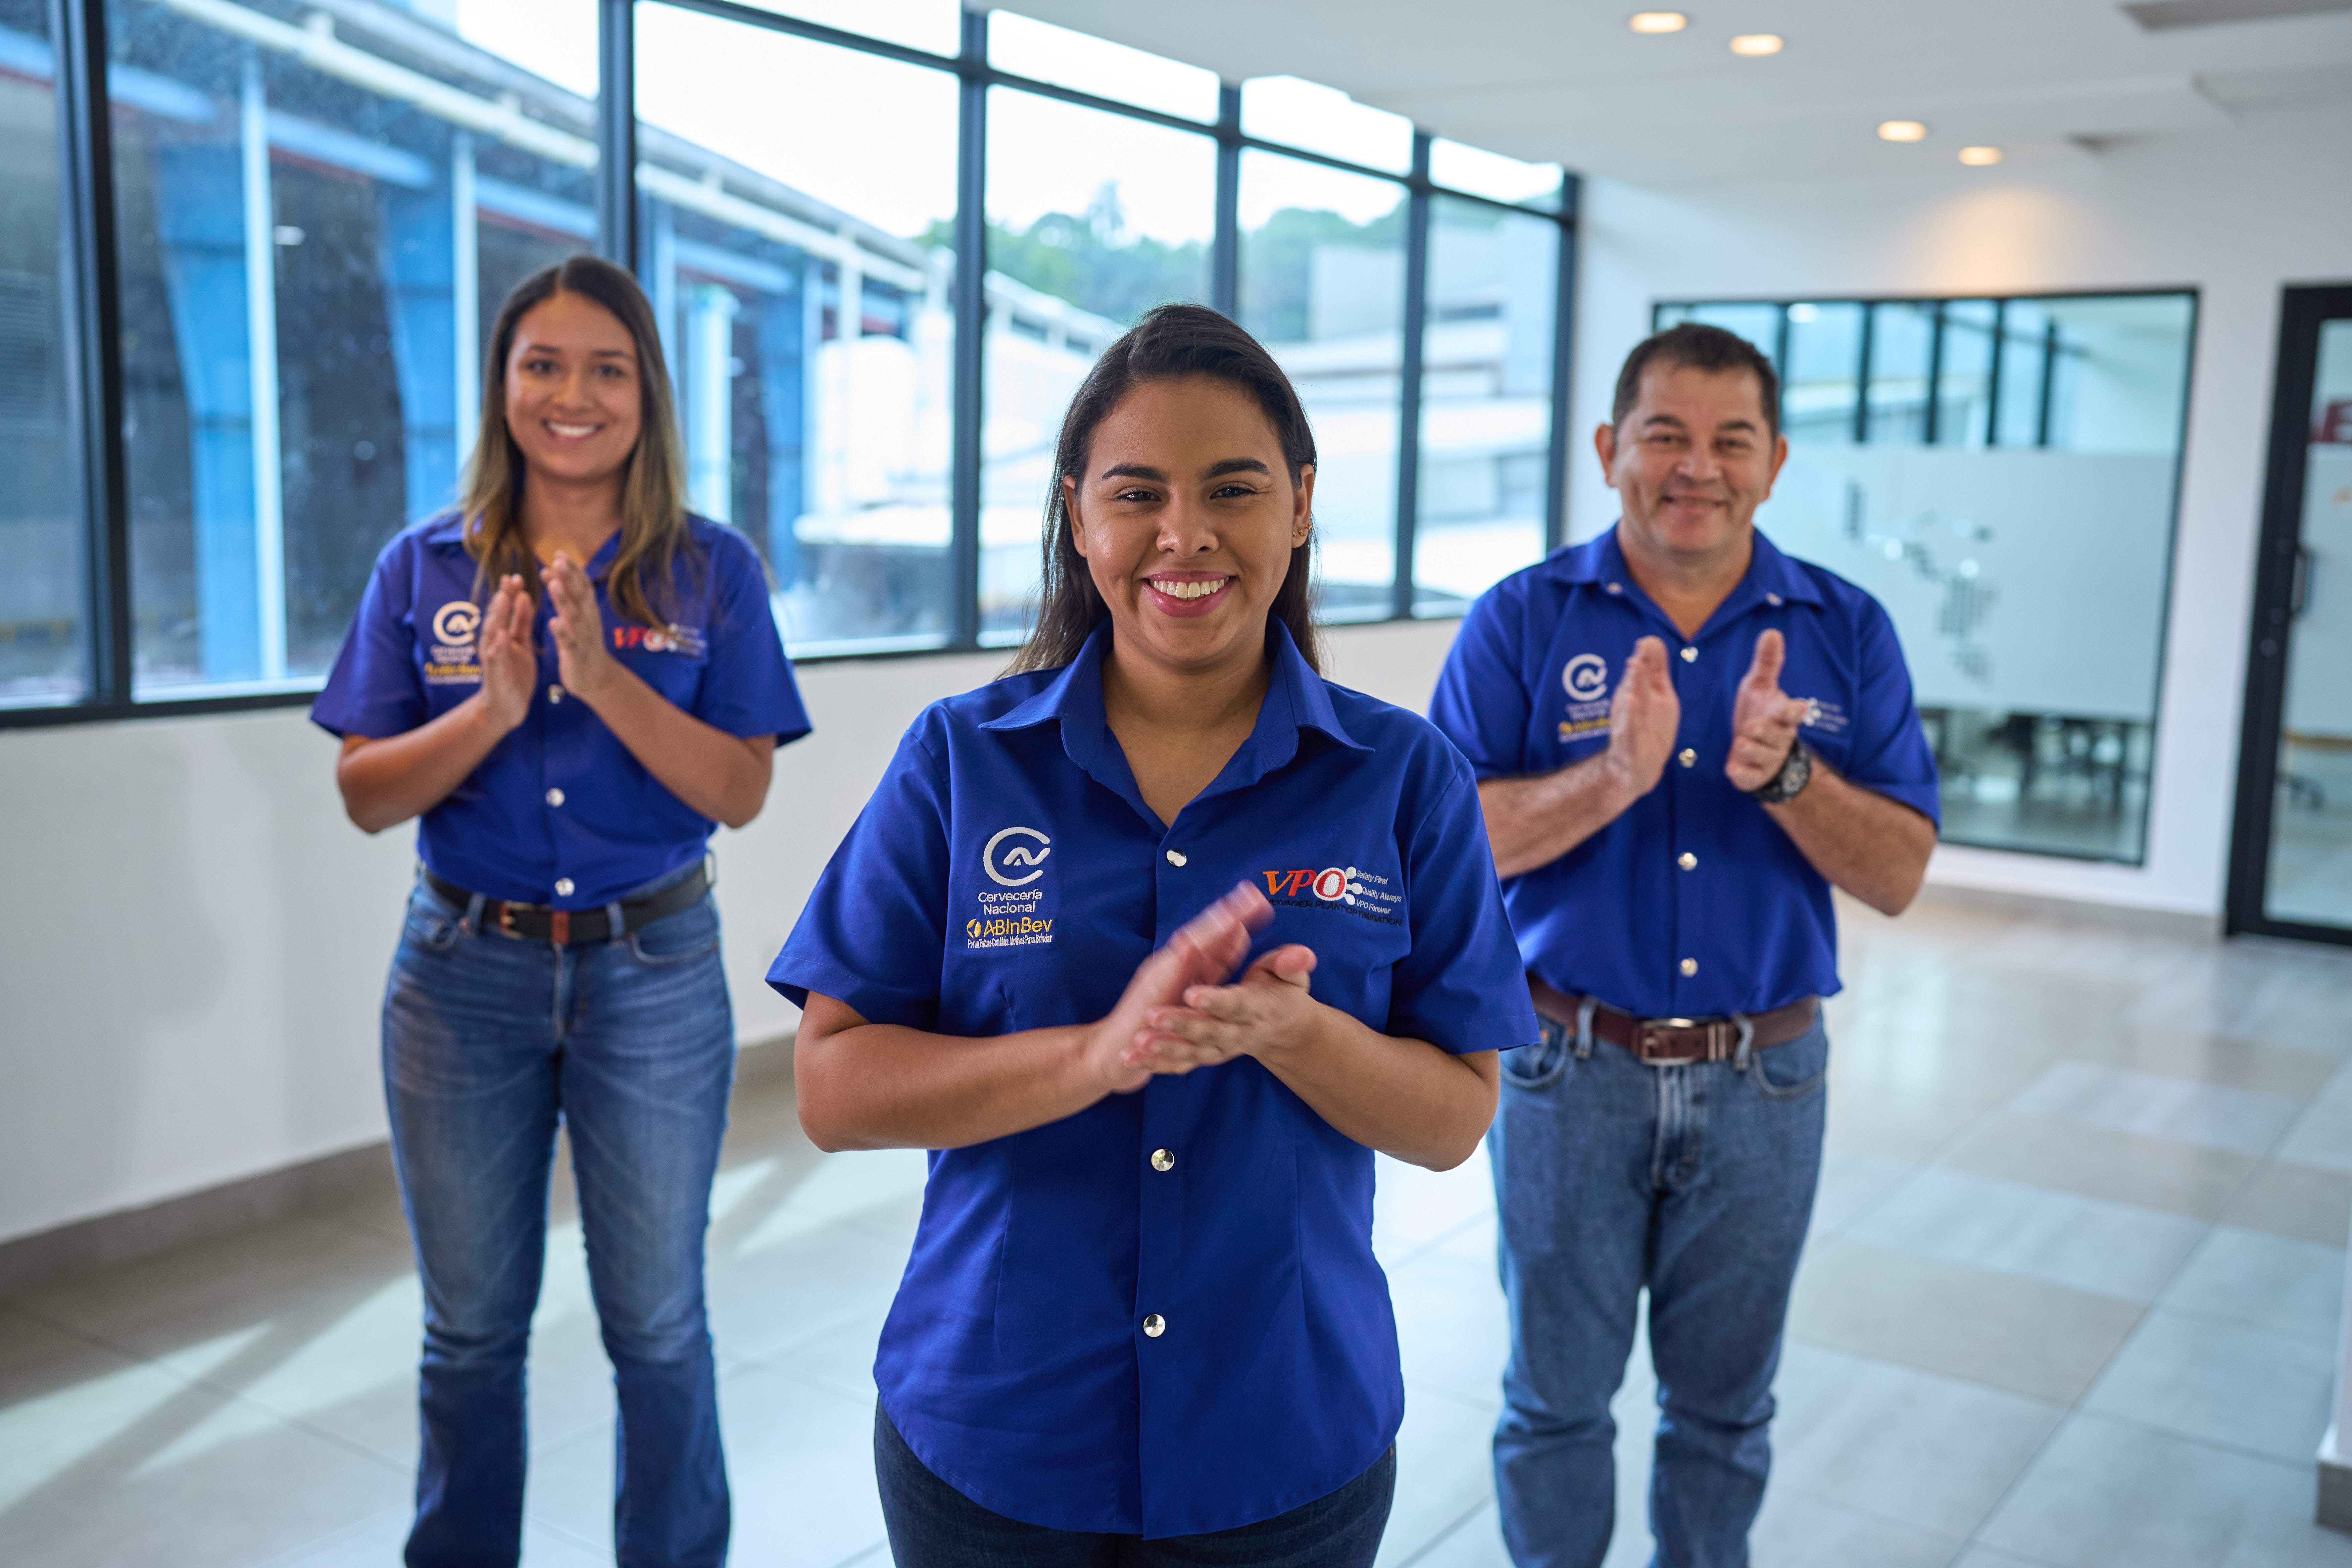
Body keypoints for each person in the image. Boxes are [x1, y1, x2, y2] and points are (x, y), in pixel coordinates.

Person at [767, 303, 1536, 1566]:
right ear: (1081, 517)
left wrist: (1295, 1034)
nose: (1186, 536)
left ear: (1298, 505)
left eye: (1232, 488)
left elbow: (1454, 1121)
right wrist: (1096, 1056)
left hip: (1282, 1441)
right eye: (1139, 495)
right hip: (1002, 1435)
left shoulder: (1403, 778)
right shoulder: (962, 762)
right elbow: (834, 1089)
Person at [312, 254, 811, 1568]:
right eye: (543, 363)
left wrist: (596, 680)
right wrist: (490, 706)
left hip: (653, 967)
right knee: (469, 1329)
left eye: (607, 367)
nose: (572, 394)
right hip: (460, 971)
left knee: (657, 1321)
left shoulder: (712, 574)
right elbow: (365, 794)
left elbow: (741, 788)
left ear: (646, 392)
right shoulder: (424, 568)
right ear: (503, 384)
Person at [1428, 322, 1941, 1568]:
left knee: (1723, 1409)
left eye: (1730, 441)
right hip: (1566, 1067)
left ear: (1773, 464)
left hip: (1767, 1079)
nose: (1695, 466)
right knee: (1554, 1405)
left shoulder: (1845, 629)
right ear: (1611, 450)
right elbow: (1444, 849)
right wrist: (1609, 781)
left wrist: (1791, 776)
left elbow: (1897, 873)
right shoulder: (1522, 620)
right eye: (1665, 434)